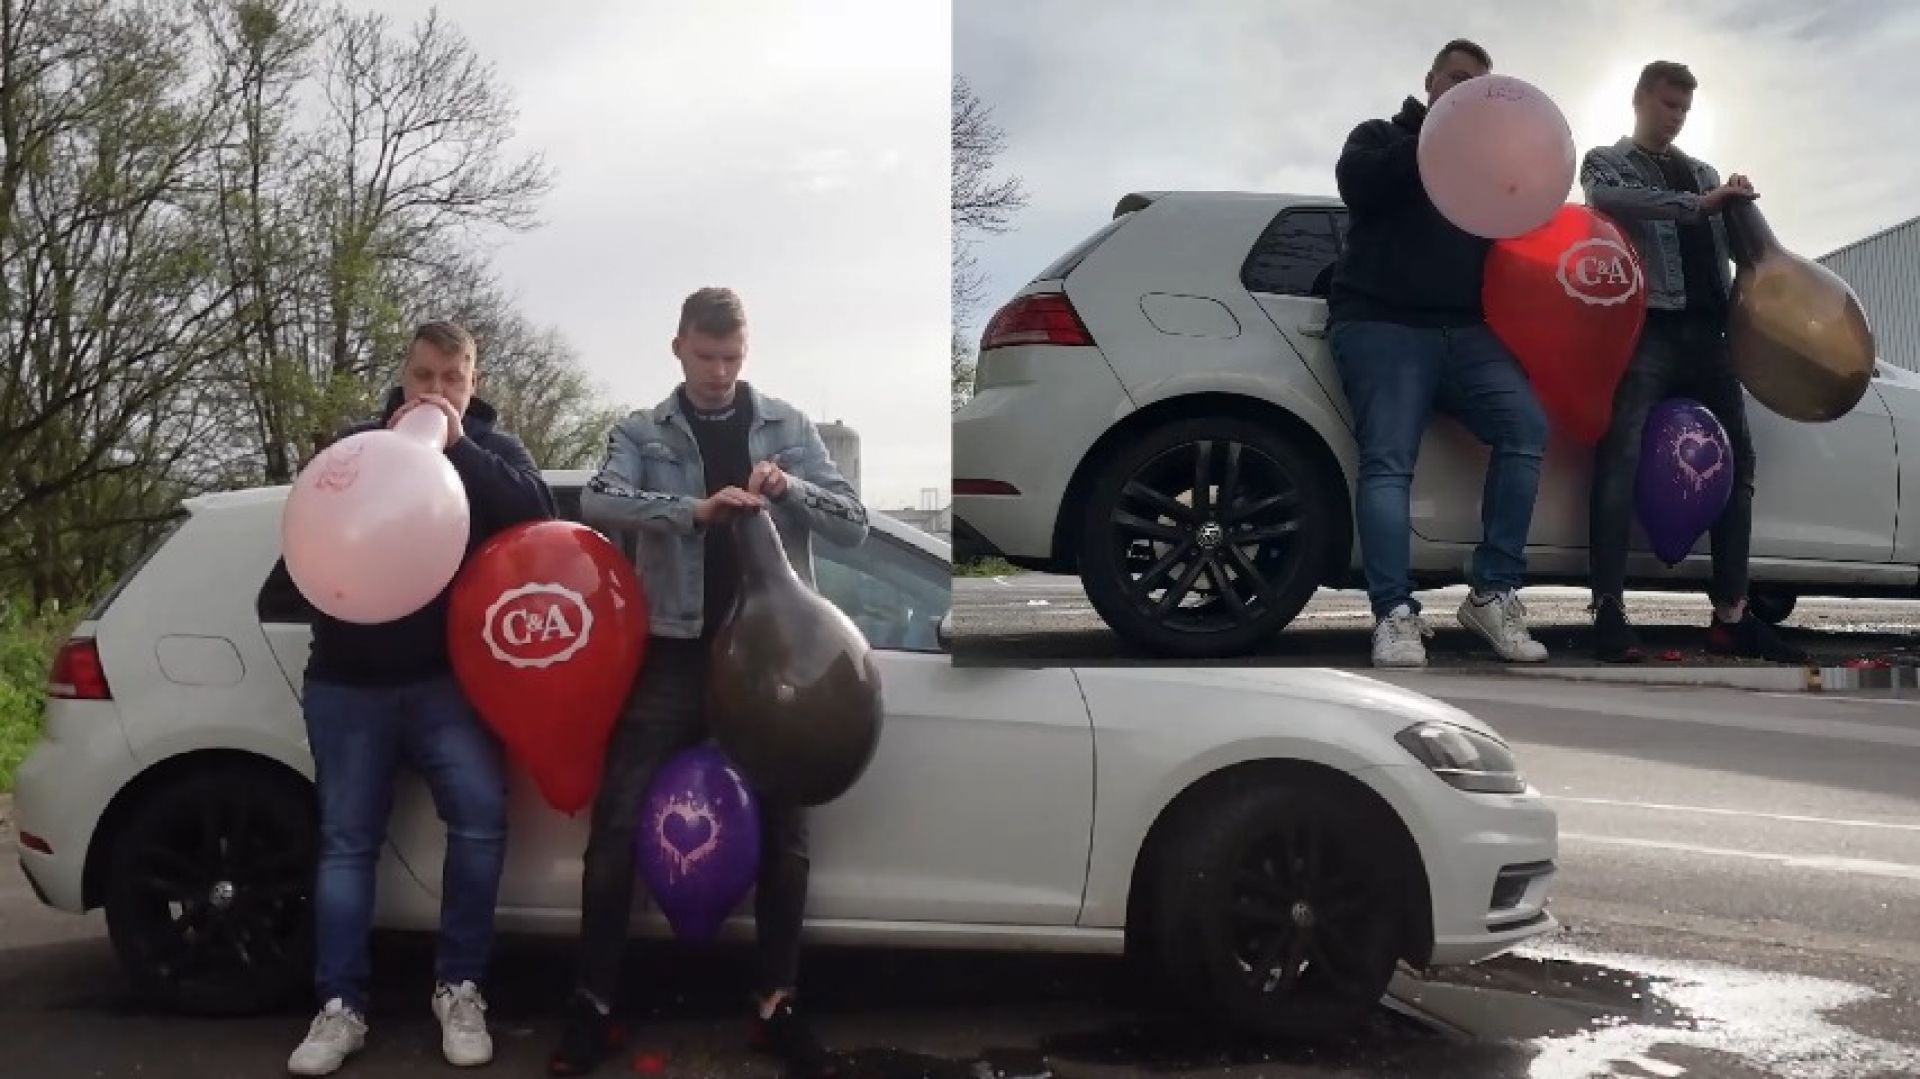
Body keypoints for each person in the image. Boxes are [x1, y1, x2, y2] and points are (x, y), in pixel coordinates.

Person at [549, 287, 867, 1078]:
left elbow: (854, 523)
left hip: (772, 661)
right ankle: (592, 1006)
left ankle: (777, 1004)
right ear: (679, 348)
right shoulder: (640, 429)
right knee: (616, 826)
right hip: (674, 651)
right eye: (707, 356)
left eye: (733, 357)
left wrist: (792, 489)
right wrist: (692, 509)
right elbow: (600, 499)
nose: (721, 372)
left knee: (786, 838)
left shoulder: (789, 427)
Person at [284, 321, 556, 1075]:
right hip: (347, 682)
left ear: (472, 382)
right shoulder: (355, 449)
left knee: (478, 817)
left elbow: (540, 515)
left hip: (449, 683)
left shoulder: (495, 451)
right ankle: (340, 1006)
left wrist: (455, 448)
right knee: (346, 842)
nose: (435, 390)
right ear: (402, 376)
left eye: (452, 378)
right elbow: (306, 547)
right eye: (423, 376)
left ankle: (460, 987)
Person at [1328, 38, 1552, 668]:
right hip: (1380, 321)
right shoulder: (1380, 135)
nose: (1463, 91)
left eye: (1476, 85)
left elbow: (1524, 226)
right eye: (1454, 80)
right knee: (1390, 462)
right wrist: (1438, 137)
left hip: (1464, 330)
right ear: (1429, 81)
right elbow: (1358, 188)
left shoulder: (1486, 163)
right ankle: (1393, 615)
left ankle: (1493, 594)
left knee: (1525, 426)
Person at [1581, 61, 1806, 663]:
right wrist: (1701, 204)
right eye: (1666, 105)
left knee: (1741, 463)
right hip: (1648, 327)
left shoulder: (1705, 171)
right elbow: (1605, 200)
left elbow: (1747, 252)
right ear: (1639, 101)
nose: (1675, 118)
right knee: (1620, 457)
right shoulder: (1607, 159)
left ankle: (1732, 616)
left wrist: (1738, 202)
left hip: (1712, 338)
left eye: (1683, 109)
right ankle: (1607, 609)